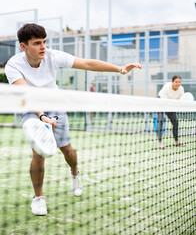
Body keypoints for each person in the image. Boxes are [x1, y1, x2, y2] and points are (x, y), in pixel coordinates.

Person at [5, 23, 142, 216]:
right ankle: (38, 198)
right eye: (37, 43)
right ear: (23, 46)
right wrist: (42, 116)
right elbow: (25, 94)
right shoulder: (13, 65)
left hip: (55, 102)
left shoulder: (52, 56)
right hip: (31, 106)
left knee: (67, 150)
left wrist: (119, 69)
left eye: (44, 42)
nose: (43, 47)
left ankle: (75, 173)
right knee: (38, 153)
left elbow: (86, 64)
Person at [157, 75, 185, 149]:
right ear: (172, 82)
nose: (178, 83)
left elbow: (180, 101)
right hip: (161, 102)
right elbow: (164, 100)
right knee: (161, 121)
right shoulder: (166, 87)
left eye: (179, 82)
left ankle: (176, 141)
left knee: (175, 122)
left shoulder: (181, 89)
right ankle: (160, 143)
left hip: (171, 105)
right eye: (176, 82)